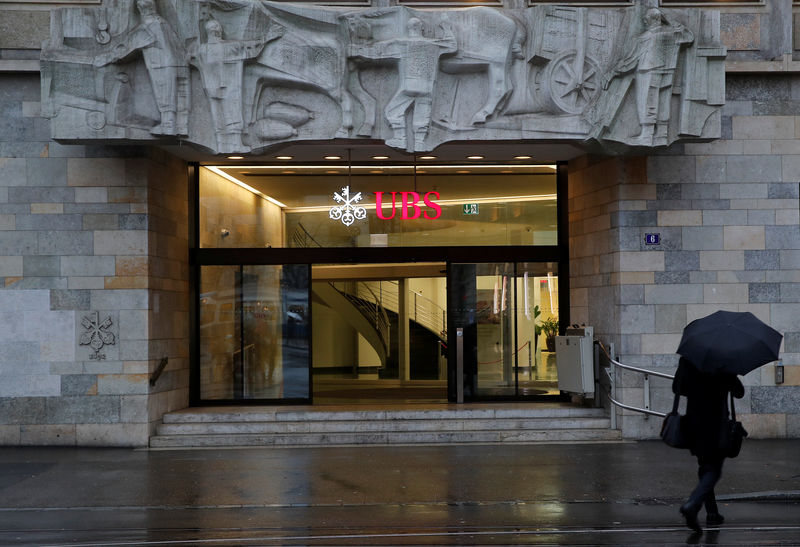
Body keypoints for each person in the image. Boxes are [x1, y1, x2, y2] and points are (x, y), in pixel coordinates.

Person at [672, 356, 744, 532]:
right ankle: (693, 504)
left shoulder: (688, 360)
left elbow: (677, 388)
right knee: (713, 470)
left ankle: (712, 513)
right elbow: (739, 392)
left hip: (694, 423)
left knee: (705, 466)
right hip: (716, 425)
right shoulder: (724, 362)